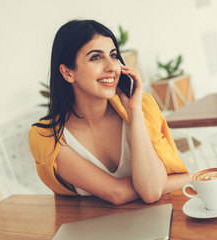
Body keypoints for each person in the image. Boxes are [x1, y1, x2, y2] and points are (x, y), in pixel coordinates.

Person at [29, 19, 191, 205]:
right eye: (96, 57)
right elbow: (118, 193)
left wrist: (134, 113)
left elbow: (152, 191)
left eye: (113, 56)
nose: (111, 67)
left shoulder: (141, 106)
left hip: (168, 212)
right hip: (95, 228)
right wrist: (185, 178)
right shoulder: (46, 136)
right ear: (68, 73)